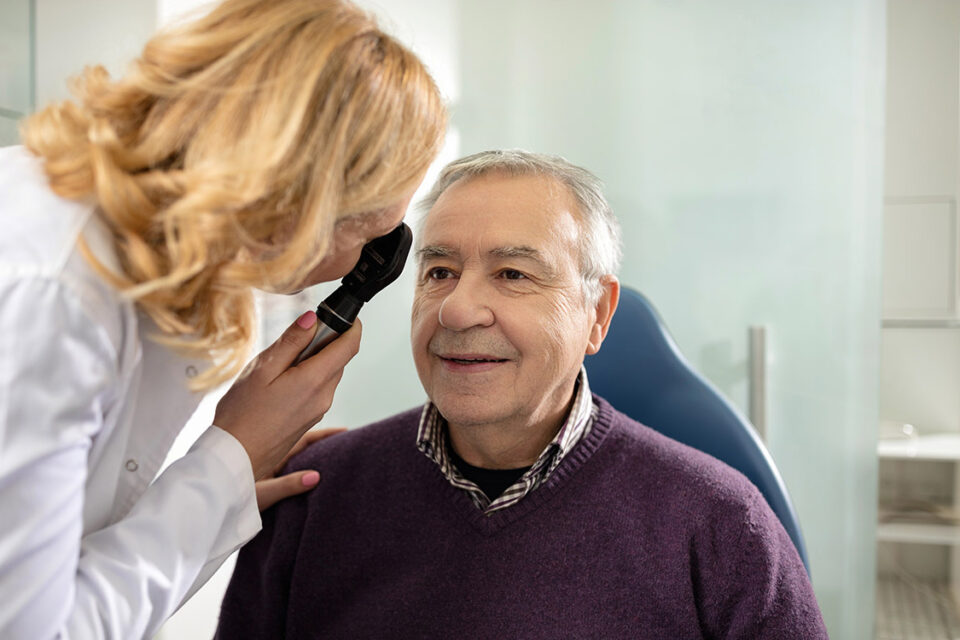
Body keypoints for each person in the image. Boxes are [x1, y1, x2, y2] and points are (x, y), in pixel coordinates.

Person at [0, 0, 446, 637]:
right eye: (372, 232)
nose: (369, 258)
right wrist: (232, 458)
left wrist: (224, 482)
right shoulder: (44, 294)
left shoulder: (132, 255)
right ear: (300, 201)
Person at [215, 150, 829, 639]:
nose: (456, 310)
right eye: (439, 272)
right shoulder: (312, 498)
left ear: (597, 314)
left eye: (512, 274)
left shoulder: (721, 526)